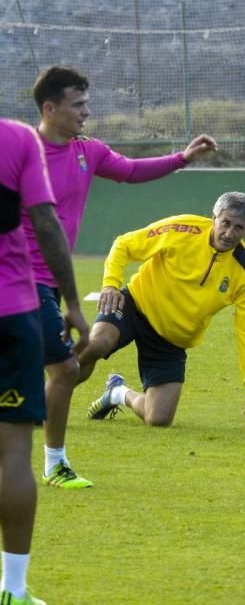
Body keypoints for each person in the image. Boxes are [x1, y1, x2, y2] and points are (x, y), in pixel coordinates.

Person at [24, 65, 218, 489]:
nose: (86, 112)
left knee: (55, 370)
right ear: (49, 108)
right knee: (62, 370)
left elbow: (131, 170)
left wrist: (181, 159)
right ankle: (54, 463)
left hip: (51, 282)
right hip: (18, 279)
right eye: (78, 105)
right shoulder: (21, 150)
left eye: (86, 104)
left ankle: (50, 458)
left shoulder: (86, 151)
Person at [81, 192, 245, 431]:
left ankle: (117, 393)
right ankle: (46, 402)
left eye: (239, 228)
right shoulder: (181, 229)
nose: (229, 233)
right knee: (96, 344)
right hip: (135, 305)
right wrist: (110, 283)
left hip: (170, 340)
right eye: (226, 223)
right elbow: (124, 244)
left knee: (158, 419)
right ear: (214, 218)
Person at [0, 118, 88, 605]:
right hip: (11, 311)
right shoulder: (17, 138)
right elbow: (45, 222)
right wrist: (72, 301)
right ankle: (12, 590)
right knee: (13, 452)